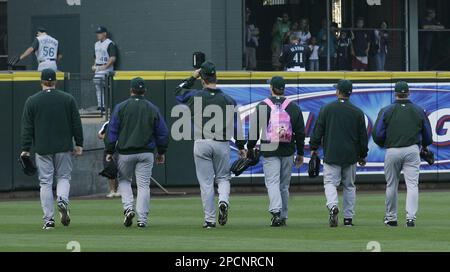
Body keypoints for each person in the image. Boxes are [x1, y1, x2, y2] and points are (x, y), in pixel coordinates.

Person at [174, 61, 246, 229]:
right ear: (216, 76)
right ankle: (223, 201)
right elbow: (237, 126)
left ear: (202, 79)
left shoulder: (195, 96)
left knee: (206, 183)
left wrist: (192, 76)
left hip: (201, 143)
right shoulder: (229, 99)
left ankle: (209, 221)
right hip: (221, 144)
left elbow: (177, 91)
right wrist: (241, 147)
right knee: (223, 178)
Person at [20, 69, 83, 230]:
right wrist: (79, 144)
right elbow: (76, 123)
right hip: (63, 147)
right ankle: (62, 199)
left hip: (42, 148)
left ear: (41, 81)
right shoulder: (67, 99)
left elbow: (27, 128)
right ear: (55, 81)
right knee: (63, 177)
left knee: (45, 183)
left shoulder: (32, 101)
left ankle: (49, 220)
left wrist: (25, 149)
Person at [106, 77, 169, 228]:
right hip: (146, 153)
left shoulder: (121, 107)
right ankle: (142, 219)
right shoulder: (152, 108)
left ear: (131, 90)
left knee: (124, 181)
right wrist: (161, 152)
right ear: (145, 91)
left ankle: (128, 208)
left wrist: (109, 150)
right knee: (143, 186)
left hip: (125, 153)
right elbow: (163, 133)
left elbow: (112, 131)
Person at [245, 76, 305, 226]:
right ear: (283, 88)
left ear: (271, 88)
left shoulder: (262, 106)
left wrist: (250, 147)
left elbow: (253, 132)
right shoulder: (293, 107)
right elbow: (300, 133)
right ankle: (283, 216)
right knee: (284, 185)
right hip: (288, 151)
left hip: (269, 150)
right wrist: (301, 153)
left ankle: (276, 213)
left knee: (272, 182)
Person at [372, 82, 433, 227]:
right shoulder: (418, 110)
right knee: (412, 185)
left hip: (393, 150)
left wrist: (384, 143)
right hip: (412, 150)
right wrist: (423, 146)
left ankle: (391, 218)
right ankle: (410, 218)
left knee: (391, 185)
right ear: (409, 93)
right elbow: (428, 136)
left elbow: (377, 134)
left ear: (395, 93)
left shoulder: (387, 110)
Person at [309, 80, 368, 228]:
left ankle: (333, 206)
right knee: (349, 186)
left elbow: (318, 130)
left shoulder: (327, 109)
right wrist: (362, 155)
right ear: (350, 93)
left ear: (338, 92)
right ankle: (348, 219)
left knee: (330, 183)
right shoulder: (357, 112)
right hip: (350, 155)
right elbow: (363, 137)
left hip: (332, 153)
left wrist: (314, 147)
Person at [92, 26, 117, 112]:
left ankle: (104, 105)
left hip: (107, 68)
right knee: (97, 85)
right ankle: (101, 105)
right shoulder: (96, 44)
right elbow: (95, 57)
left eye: (99, 33)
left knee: (97, 80)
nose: (98, 35)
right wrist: (94, 65)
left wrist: (104, 67)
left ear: (104, 34)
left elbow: (113, 58)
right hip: (99, 67)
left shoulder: (110, 43)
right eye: (97, 33)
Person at [98, 121, 120, 198]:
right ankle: (112, 191)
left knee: (122, 169)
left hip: (121, 150)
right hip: (108, 150)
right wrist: (108, 137)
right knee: (110, 170)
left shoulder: (123, 122)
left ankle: (120, 190)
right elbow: (100, 135)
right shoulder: (107, 124)